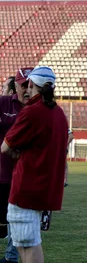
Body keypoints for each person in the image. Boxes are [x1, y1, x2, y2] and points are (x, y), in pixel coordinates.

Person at [1, 66, 68, 263]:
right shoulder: (59, 113)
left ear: (31, 84)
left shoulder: (32, 112)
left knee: (28, 244)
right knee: (27, 242)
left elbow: (5, 146)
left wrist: (16, 149)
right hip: (45, 187)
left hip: (27, 187)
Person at [0, 69, 31, 263]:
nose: (27, 89)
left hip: (25, 175)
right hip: (1, 171)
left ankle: (11, 257)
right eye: (23, 85)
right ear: (16, 86)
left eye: (31, 85)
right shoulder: (3, 103)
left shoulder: (39, 109)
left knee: (17, 218)